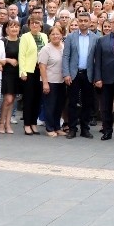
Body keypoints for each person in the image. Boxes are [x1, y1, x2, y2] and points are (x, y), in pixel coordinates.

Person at [62, 11, 96, 139]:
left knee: (87, 103)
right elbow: (66, 56)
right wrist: (66, 74)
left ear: (89, 22)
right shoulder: (71, 37)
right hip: (74, 74)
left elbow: (97, 59)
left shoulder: (95, 38)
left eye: (85, 21)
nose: (83, 23)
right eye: (80, 21)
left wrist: (96, 76)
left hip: (88, 74)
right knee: (72, 103)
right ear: (77, 21)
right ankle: (72, 128)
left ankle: (85, 129)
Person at [37, 25, 67, 137]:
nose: (55, 36)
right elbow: (42, 67)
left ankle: (57, 127)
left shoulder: (64, 47)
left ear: (61, 35)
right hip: (49, 81)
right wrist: (45, 83)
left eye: (57, 34)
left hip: (61, 82)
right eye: (53, 34)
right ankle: (49, 128)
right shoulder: (46, 49)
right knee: (50, 106)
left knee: (59, 106)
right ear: (49, 36)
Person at [19, 17, 47, 136]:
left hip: (41, 71)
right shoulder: (25, 37)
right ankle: (27, 124)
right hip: (29, 71)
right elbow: (21, 55)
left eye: (37, 23)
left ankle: (34, 123)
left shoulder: (44, 36)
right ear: (29, 25)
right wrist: (22, 72)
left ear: (41, 25)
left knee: (37, 99)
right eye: (32, 23)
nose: (35, 25)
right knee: (29, 99)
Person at [0, 21, 21, 134]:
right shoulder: (3, 41)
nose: (14, 29)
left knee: (12, 100)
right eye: (11, 27)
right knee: (8, 99)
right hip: (6, 73)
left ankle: (8, 123)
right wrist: (8, 60)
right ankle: (1, 122)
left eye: (16, 26)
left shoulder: (21, 41)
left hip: (17, 73)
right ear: (7, 29)